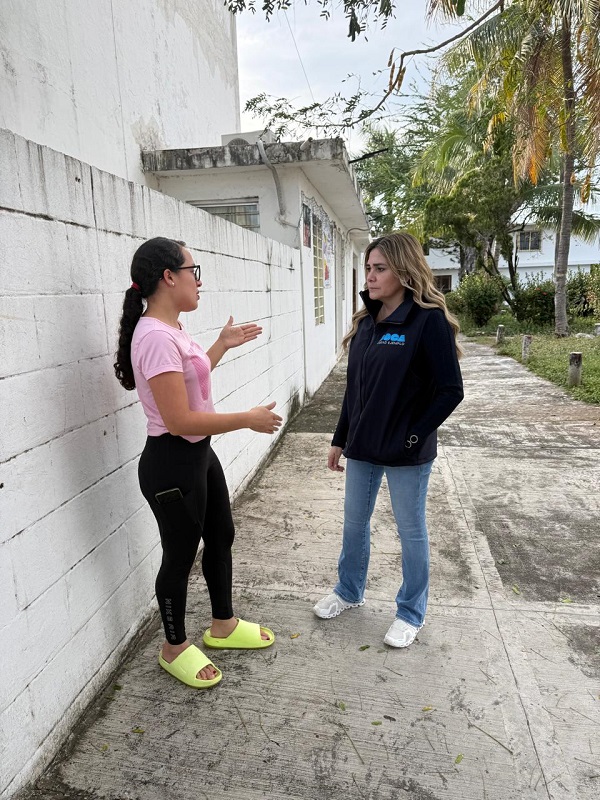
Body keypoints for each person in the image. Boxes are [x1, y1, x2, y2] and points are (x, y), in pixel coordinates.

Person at [114, 236, 283, 689]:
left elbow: (187, 384)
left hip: (196, 454)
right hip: (171, 462)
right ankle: (173, 648)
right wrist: (246, 418)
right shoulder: (152, 336)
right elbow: (178, 417)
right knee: (179, 555)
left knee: (221, 534)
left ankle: (223, 624)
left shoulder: (171, 331)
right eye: (194, 271)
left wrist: (220, 346)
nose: (199, 281)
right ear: (169, 277)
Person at [313, 232, 464, 648]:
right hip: (363, 446)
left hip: (406, 452)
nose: (371, 276)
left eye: (380, 268)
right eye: (368, 268)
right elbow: (354, 389)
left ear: (403, 269)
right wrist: (339, 438)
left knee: (410, 531)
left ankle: (410, 612)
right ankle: (349, 591)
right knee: (353, 525)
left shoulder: (426, 320)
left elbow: (451, 390)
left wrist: (413, 436)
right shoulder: (367, 321)